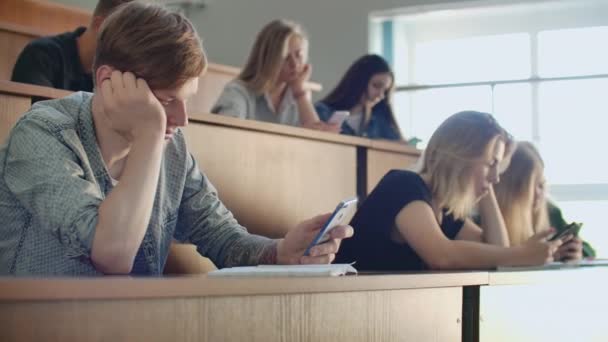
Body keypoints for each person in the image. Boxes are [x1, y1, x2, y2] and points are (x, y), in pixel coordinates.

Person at [0, 2, 352, 276]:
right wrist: (149, 134)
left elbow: (222, 237)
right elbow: (113, 253)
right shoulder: (43, 134)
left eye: (186, 101)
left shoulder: (172, 147)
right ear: (109, 81)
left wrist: (280, 251)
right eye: (167, 100)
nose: (181, 120)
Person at [335, 111, 562, 271]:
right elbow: (441, 256)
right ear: (461, 157)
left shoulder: (443, 207)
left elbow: (496, 252)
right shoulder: (403, 185)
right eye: (490, 164)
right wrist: (523, 255)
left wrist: (486, 185)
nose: (496, 177)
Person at [211, 19, 339, 133]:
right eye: (286, 57)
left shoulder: (297, 97)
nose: (294, 64)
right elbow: (226, 135)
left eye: (298, 56)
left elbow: (315, 141)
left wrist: (300, 93)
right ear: (268, 58)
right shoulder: (238, 91)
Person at [494, 141, 595, 261]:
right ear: (511, 189)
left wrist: (578, 252)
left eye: (541, 185)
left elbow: (590, 252)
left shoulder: (551, 212)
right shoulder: (488, 218)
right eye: (531, 187)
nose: (539, 193)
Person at [11, 0, 133, 92]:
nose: (129, 46)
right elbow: (39, 118)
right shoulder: (40, 54)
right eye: (125, 35)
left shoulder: (122, 72)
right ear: (100, 25)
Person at [315, 54, 403, 140]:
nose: (381, 95)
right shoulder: (322, 112)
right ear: (359, 81)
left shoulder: (380, 121)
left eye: (385, 91)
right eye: (376, 86)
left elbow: (403, 148)